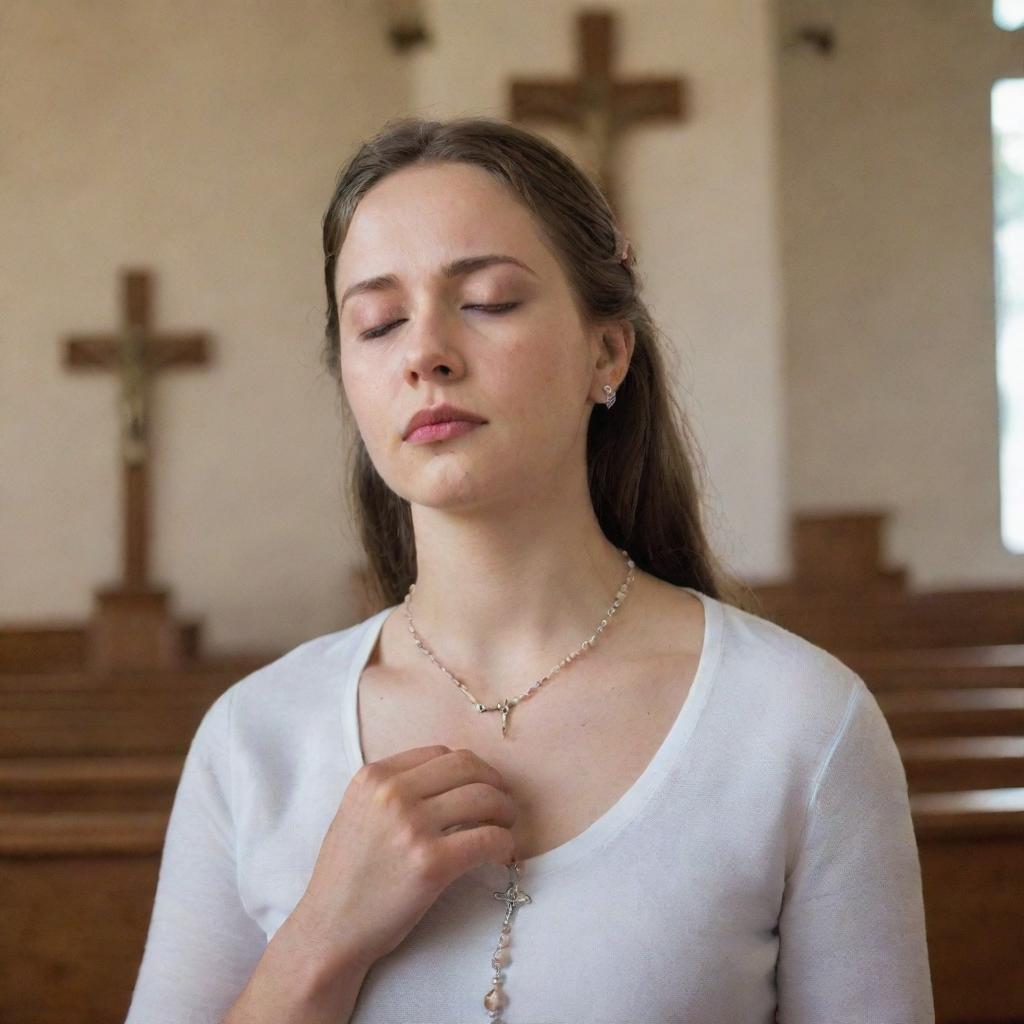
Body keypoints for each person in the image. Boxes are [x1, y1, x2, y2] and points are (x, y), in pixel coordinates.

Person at [124, 115, 935, 1024]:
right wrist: (321, 939)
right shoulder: (253, 741)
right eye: (379, 322)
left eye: (490, 301)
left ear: (607, 351)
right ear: (349, 378)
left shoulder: (801, 725)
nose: (425, 353)